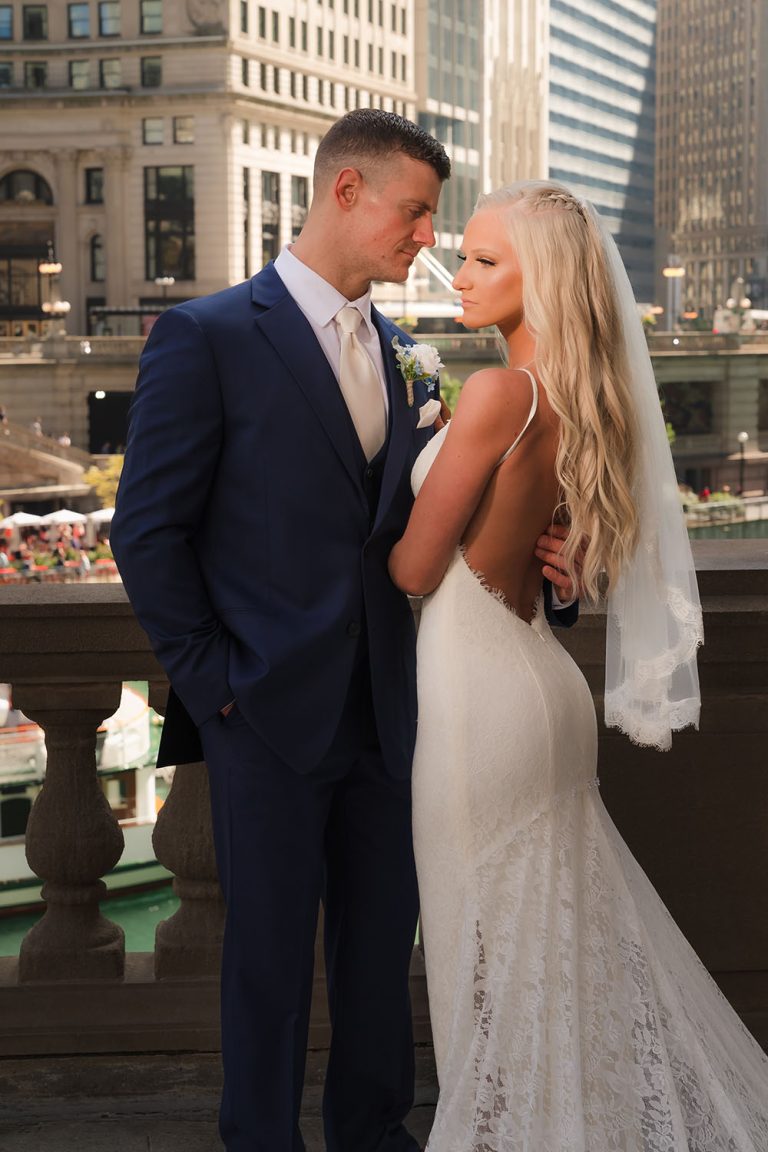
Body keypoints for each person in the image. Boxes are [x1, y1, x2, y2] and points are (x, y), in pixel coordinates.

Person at [110, 114, 573, 1152]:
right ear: (348, 194)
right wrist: (217, 684)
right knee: (267, 965)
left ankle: (375, 1135)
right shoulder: (211, 336)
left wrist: (560, 576)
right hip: (264, 713)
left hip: (403, 710)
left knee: (379, 958)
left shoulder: (410, 354)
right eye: (415, 214)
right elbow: (145, 532)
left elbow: (450, 530)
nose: (428, 240)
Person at [390, 181, 768, 1149]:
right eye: (463, 254)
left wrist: (411, 469)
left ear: (542, 279)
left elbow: (413, 567)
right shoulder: (582, 400)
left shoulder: (497, 394)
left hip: (478, 690)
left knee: (481, 964)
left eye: (484, 261)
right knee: (555, 957)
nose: (461, 274)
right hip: (543, 681)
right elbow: (554, 558)